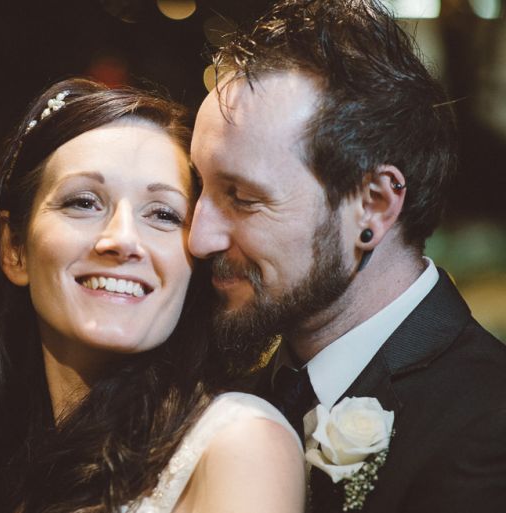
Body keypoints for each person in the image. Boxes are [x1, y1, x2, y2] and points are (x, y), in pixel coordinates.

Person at [0, 77, 305, 513]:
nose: (122, 240)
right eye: (84, 203)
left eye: (163, 214)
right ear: (15, 249)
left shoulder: (237, 443)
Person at [188, 1, 506, 512]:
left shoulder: (487, 430)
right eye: (197, 187)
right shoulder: (223, 394)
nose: (198, 238)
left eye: (242, 198)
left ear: (373, 205)